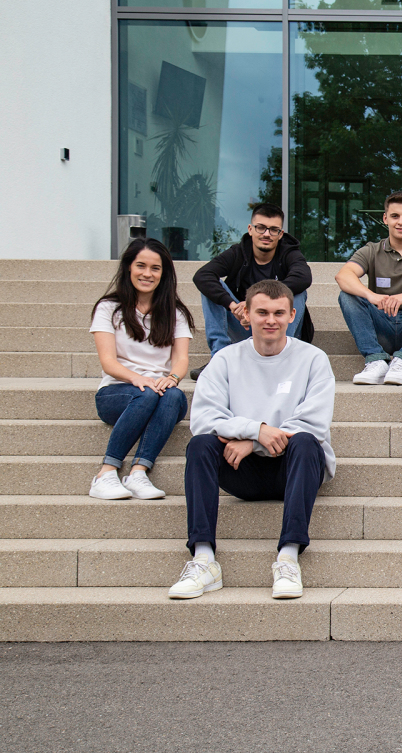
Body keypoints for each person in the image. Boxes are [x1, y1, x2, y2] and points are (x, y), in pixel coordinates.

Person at [169, 280, 336, 600]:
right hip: (240, 471)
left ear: (292, 315)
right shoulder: (225, 360)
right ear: (246, 314)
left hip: (293, 471)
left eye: (278, 312)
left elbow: (313, 422)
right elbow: (204, 419)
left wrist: (252, 440)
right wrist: (256, 430)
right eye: (261, 312)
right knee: (200, 445)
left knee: (305, 442)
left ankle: (288, 557)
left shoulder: (313, 359)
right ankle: (204, 559)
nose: (270, 319)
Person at [88, 238, 194, 500]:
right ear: (128, 268)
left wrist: (171, 378)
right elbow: (108, 363)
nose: (148, 273)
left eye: (155, 268)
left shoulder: (175, 312)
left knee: (176, 396)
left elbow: (181, 360)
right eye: (141, 266)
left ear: (164, 273)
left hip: (158, 393)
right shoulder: (108, 308)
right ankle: (106, 472)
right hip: (116, 394)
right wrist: (140, 379)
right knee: (146, 393)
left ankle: (138, 473)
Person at [191, 203, 313, 379]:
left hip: (278, 329)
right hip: (245, 323)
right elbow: (202, 275)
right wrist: (233, 306)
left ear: (280, 235)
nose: (266, 234)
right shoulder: (237, 253)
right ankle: (220, 358)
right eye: (261, 228)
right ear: (250, 229)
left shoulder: (289, 253)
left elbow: (304, 277)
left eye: (273, 230)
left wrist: (254, 302)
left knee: (298, 292)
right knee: (210, 285)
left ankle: (282, 356)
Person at [336, 191, 402, 386]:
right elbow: (343, 276)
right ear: (385, 219)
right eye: (395, 216)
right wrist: (372, 296)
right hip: (381, 325)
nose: (400, 222)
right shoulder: (372, 250)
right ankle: (376, 360)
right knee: (347, 296)